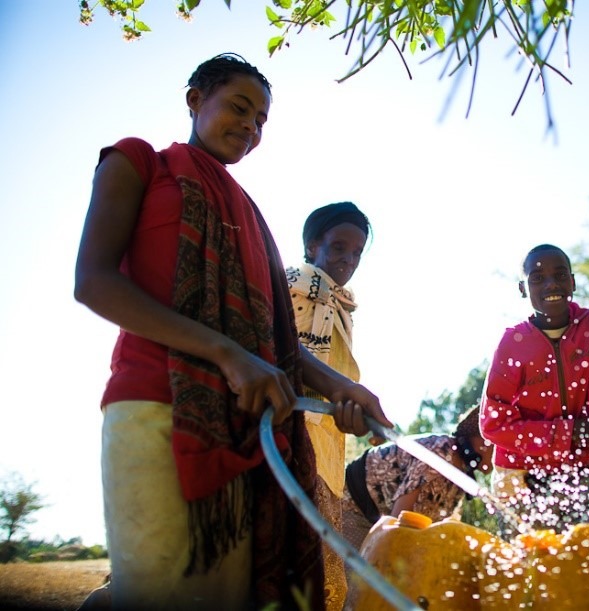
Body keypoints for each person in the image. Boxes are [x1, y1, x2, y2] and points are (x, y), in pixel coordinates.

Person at [73, 53, 393, 611]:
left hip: (249, 432)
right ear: (196, 99)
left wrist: (339, 388)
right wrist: (224, 353)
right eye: (239, 108)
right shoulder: (138, 163)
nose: (250, 127)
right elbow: (93, 282)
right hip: (155, 409)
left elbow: (276, 346)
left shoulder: (251, 215)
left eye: (262, 120)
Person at [480, 244, 589, 556]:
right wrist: (570, 432)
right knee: (535, 560)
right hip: (521, 476)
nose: (551, 284)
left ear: (573, 283)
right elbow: (493, 424)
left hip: (582, 469)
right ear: (523, 289)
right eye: (537, 278)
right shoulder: (513, 342)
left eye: (559, 275)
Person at [286, 201, 371, 611]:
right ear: (312, 243)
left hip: (325, 453)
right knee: (303, 575)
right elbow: (284, 357)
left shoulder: (340, 305)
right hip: (289, 443)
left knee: (322, 579)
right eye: (339, 247)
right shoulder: (295, 284)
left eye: (356, 252)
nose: (348, 260)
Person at [340, 405, 494, 551]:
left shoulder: (461, 477)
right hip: (351, 507)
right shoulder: (440, 452)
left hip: (376, 519)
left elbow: (439, 529)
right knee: (354, 577)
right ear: (483, 441)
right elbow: (398, 522)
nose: (505, 458)